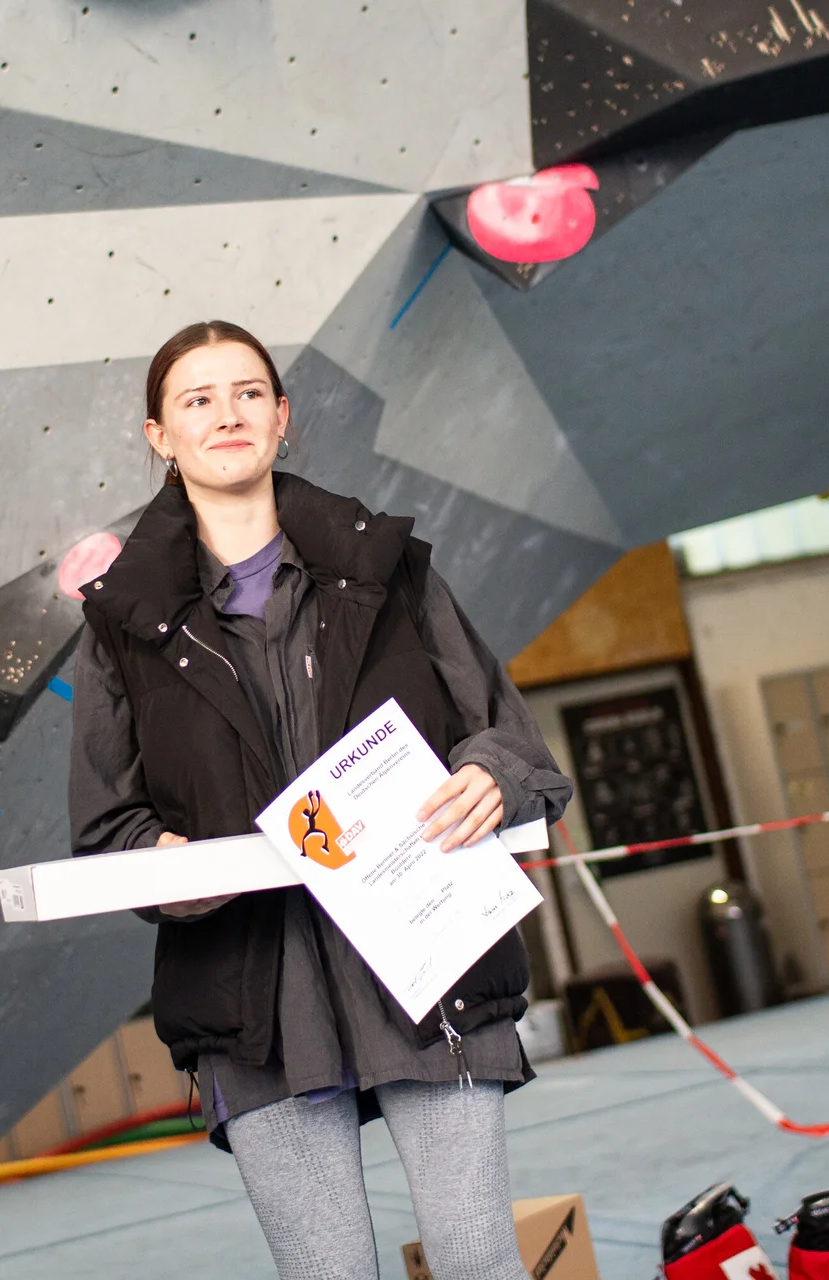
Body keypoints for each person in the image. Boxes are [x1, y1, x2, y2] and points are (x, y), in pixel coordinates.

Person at [69, 320, 575, 1280]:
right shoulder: (123, 626)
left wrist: (489, 776)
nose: (228, 415)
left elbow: (507, 733)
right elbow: (108, 826)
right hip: (256, 1003)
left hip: (429, 974)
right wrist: (167, 861)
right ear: (158, 436)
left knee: (476, 1259)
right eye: (198, 399)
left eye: (249, 393)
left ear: (283, 418)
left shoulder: (387, 570)